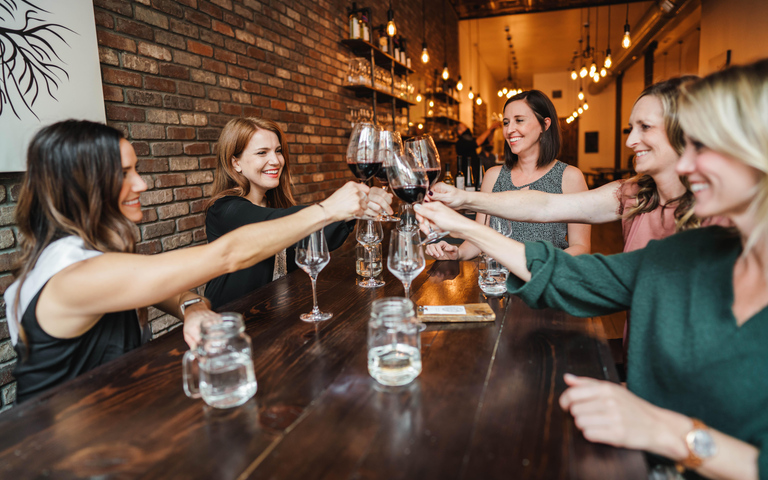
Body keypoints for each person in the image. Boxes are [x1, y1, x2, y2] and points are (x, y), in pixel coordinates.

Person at [415, 60, 768, 479]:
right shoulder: (679, 246)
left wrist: (665, 430)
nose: (688, 167)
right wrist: (461, 215)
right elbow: (567, 262)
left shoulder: (692, 245)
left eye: (703, 146)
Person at [6, 120, 370, 404]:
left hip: (112, 422)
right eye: (124, 173)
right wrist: (326, 209)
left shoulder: (81, 256)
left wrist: (191, 304)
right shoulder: (75, 276)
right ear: (80, 185)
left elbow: (157, 286)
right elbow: (227, 255)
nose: (142, 184)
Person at [428, 77, 702, 256]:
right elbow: (543, 206)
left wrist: (462, 218)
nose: (629, 140)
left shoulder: (721, 213)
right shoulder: (635, 194)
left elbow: (580, 248)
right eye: (506, 122)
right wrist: (463, 203)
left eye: (645, 127)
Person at [204, 117, 393, 309]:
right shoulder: (224, 210)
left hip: (275, 316)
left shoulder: (274, 205)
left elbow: (315, 239)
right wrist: (333, 207)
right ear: (235, 163)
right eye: (262, 153)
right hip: (229, 324)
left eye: (278, 151)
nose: (276, 161)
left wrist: (356, 209)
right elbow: (272, 226)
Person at [428, 89, 591, 260]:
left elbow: (581, 246)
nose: (509, 130)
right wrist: (457, 253)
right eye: (506, 123)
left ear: (545, 125)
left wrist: (539, 268)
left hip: (544, 278)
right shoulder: (493, 176)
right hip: (496, 282)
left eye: (519, 120)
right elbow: (480, 238)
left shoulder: (569, 177)